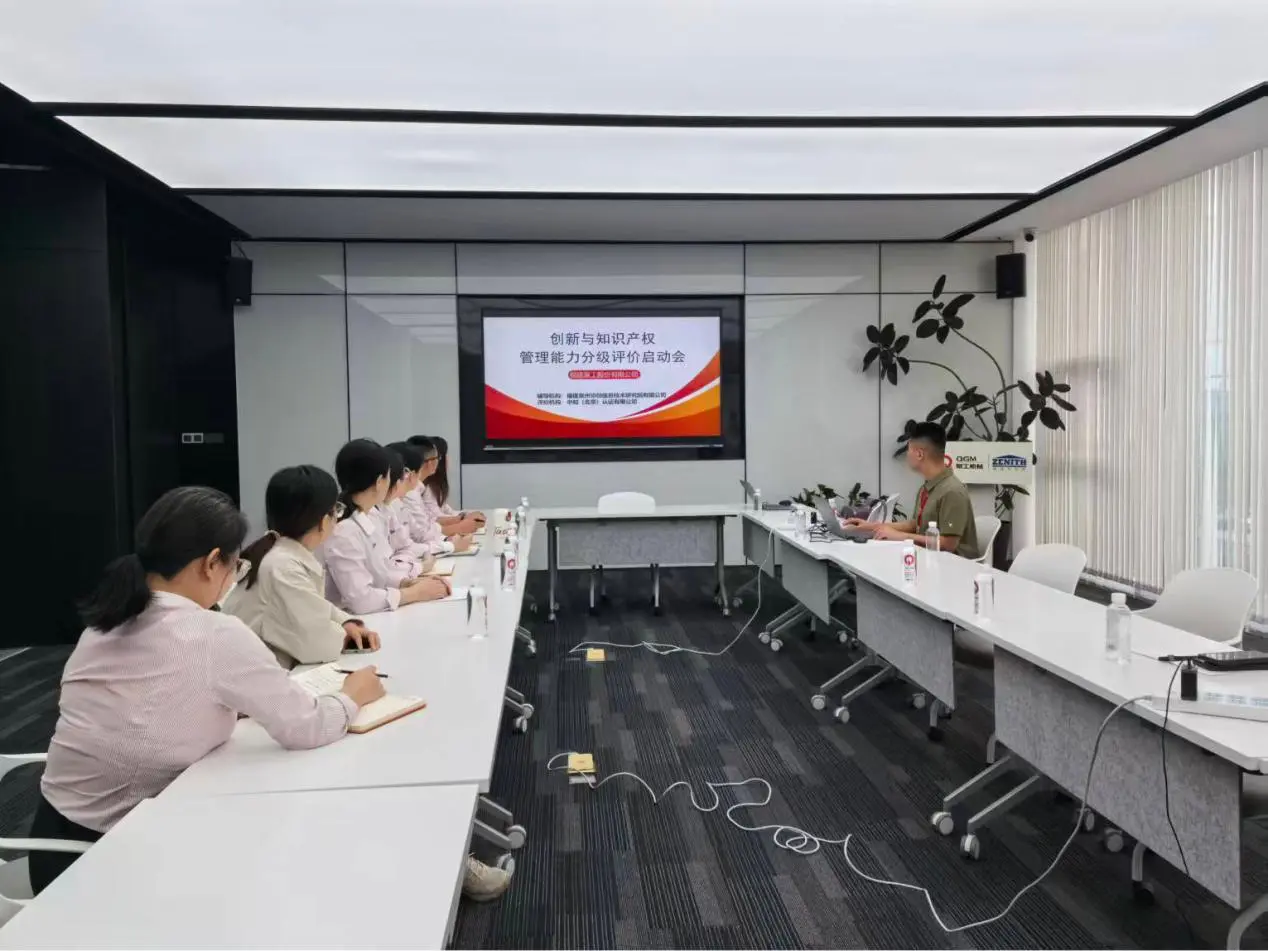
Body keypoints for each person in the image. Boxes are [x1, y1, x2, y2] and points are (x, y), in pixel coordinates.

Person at [31, 486, 385, 893]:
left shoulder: (104, 622)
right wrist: (353, 694)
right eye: (234, 566)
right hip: (115, 864)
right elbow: (306, 727)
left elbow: (142, 707)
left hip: (50, 845)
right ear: (212, 562)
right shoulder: (213, 633)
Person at [225, 465, 382, 669]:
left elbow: (314, 605)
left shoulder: (279, 551)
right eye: (336, 511)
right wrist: (345, 636)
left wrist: (346, 622)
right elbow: (317, 644)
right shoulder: (283, 566)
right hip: (256, 674)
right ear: (324, 521)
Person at [323, 438, 451, 613]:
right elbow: (361, 601)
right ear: (379, 482)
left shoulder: (368, 517)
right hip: (352, 621)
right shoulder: (344, 530)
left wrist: (406, 583)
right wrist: (414, 593)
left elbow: (381, 572)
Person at [845, 421, 981, 558]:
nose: (907, 455)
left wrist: (899, 536)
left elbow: (948, 544)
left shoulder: (952, 491)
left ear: (919, 454)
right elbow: (916, 525)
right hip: (927, 557)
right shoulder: (927, 487)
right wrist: (871, 526)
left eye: (909, 449)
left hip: (953, 565)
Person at [409, 435, 482, 537]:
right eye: (438, 457)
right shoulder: (412, 493)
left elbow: (433, 520)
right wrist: (460, 525)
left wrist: (463, 518)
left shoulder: (419, 489)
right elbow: (424, 533)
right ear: (430, 462)